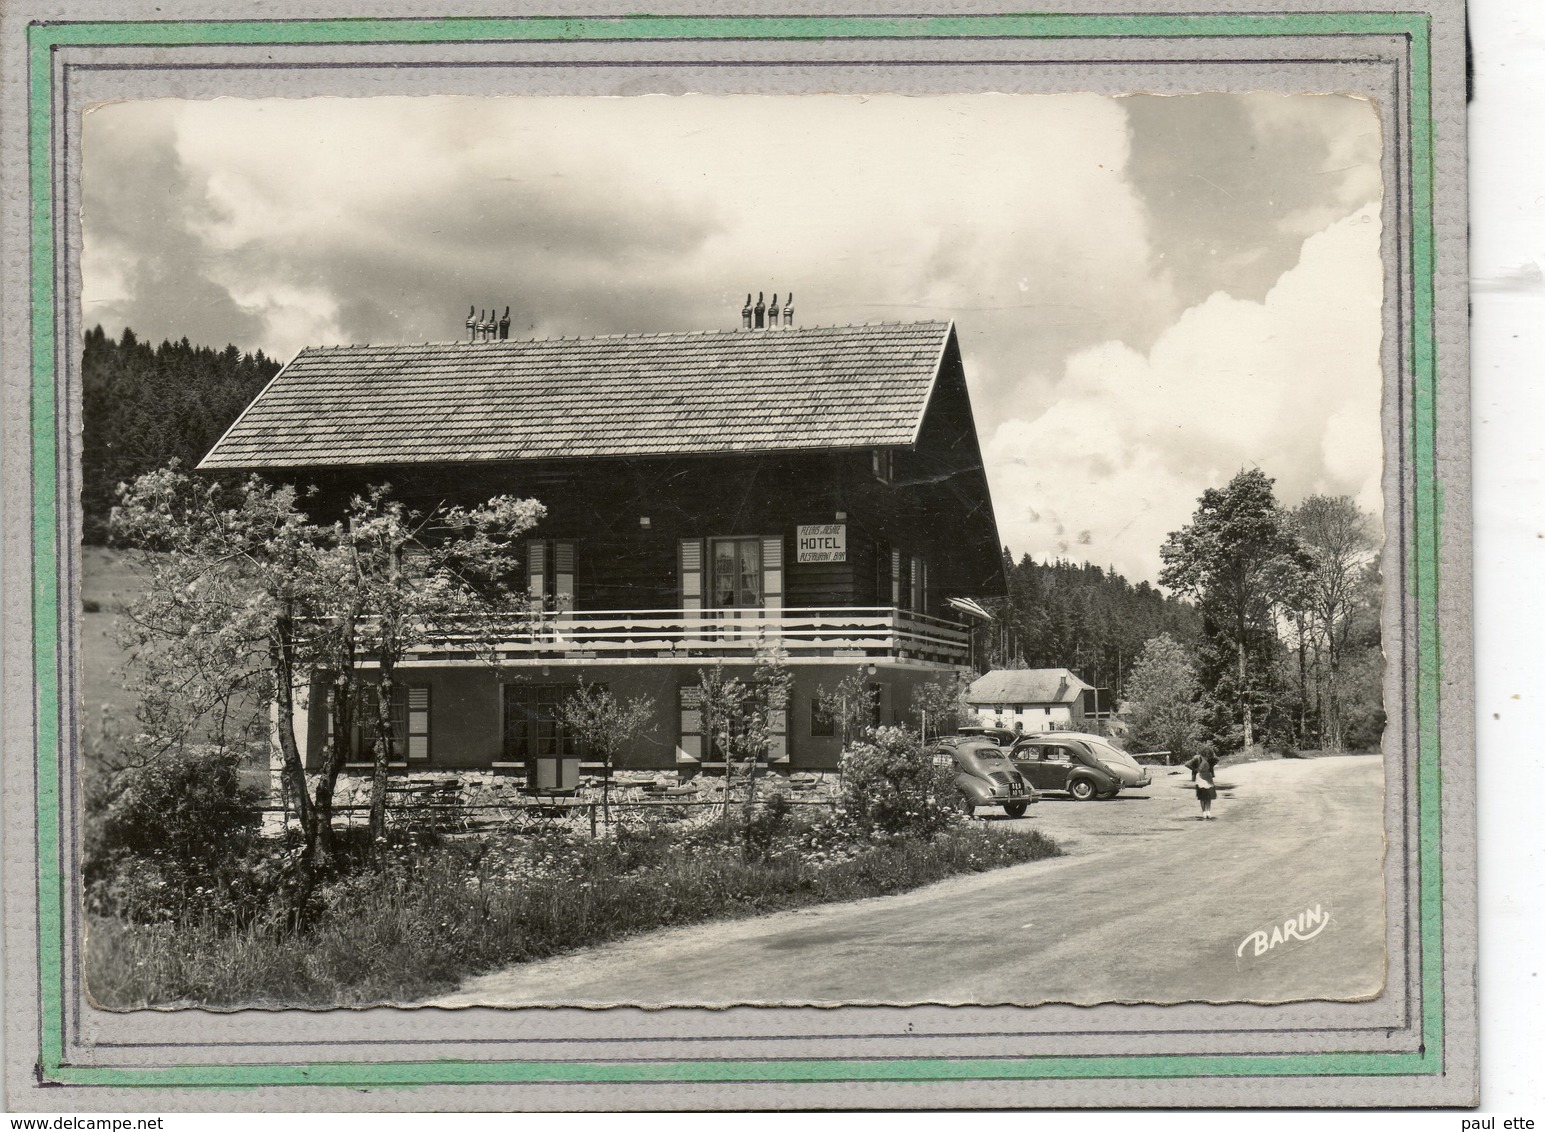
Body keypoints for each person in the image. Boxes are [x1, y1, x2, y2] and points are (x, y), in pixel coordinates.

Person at [1185, 750, 1220, 820]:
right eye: (1207, 755)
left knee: (1209, 795)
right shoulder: (1197, 758)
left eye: (1209, 756)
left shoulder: (1211, 758)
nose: (1208, 757)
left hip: (1208, 776)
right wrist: (1195, 769)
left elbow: (1217, 759)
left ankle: (1208, 811)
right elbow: (1187, 764)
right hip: (1200, 776)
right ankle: (1204, 811)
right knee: (1202, 796)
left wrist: (1213, 754)